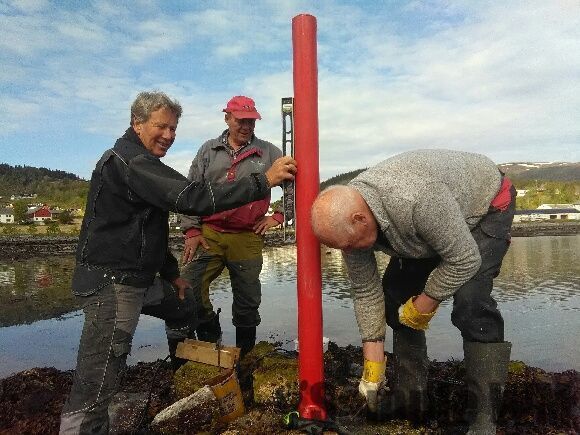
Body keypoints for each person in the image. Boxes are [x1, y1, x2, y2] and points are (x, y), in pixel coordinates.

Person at [59, 91, 296, 434]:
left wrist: (172, 275)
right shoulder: (132, 162)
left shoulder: (145, 163)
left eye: (173, 128)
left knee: (183, 305)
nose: (169, 135)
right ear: (136, 123)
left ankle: (197, 362)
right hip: (113, 282)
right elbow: (192, 197)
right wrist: (263, 182)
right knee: (97, 382)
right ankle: (85, 426)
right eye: (161, 127)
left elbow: (150, 228)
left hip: (147, 274)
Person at [311, 149, 515, 434]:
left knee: (472, 305)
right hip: (431, 225)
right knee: (395, 295)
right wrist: (373, 364)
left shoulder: (416, 200)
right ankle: (411, 397)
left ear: (360, 218)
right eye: (341, 247)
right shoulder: (348, 226)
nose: (348, 252)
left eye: (348, 245)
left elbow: (464, 259)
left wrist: (425, 302)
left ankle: (483, 419)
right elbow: (366, 291)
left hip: (484, 206)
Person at [180, 95, 287, 357]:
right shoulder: (208, 150)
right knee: (188, 286)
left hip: (247, 236)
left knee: (248, 299)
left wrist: (279, 215)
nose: (246, 126)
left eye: (251, 121)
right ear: (227, 117)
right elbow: (190, 190)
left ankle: (246, 355)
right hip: (209, 233)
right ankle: (208, 331)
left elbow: (295, 186)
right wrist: (192, 230)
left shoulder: (271, 153)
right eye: (240, 121)